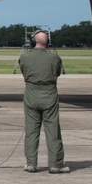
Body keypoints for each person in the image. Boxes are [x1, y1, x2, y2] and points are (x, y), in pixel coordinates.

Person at [18, 31, 69, 174]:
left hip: (31, 94)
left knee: (31, 130)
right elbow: (57, 73)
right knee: (53, 130)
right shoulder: (54, 58)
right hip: (49, 95)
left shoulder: (24, 58)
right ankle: (56, 164)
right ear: (48, 43)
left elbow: (24, 72)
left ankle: (31, 163)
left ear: (33, 42)